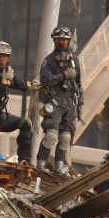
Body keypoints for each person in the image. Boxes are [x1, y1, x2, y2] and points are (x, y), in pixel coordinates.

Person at [36, 25, 84, 180]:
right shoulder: (48, 60)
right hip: (55, 101)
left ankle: (58, 168)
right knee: (50, 135)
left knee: (65, 138)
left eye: (64, 39)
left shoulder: (74, 61)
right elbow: (45, 79)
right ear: (54, 41)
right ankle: (41, 166)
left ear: (69, 41)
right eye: (58, 39)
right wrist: (63, 75)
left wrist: (80, 105)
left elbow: (79, 83)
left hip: (70, 102)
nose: (61, 42)